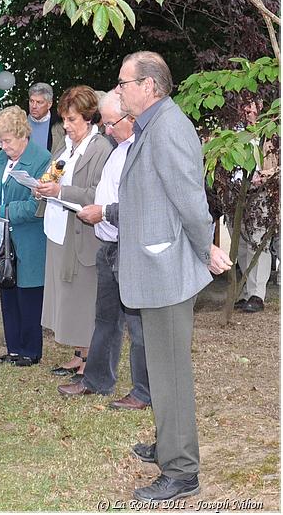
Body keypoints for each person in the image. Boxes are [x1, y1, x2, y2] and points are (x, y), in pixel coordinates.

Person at [115, 51, 232, 501]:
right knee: (161, 369)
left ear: (149, 86)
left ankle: (182, 471)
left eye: (124, 83)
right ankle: (169, 444)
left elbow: (191, 201)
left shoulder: (169, 127)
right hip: (154, 268)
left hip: (166, 269)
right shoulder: (152, 125)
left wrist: (206, 249)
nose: (120, 90)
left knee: (171, 374)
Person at [56, 91, 150, 411]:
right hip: (108, 246)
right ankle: (96, 380)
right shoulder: (119, 148)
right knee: (105, 319)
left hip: (130, 247)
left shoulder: (143, 151)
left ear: (131, 118)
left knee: (137, 326)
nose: (106, 129)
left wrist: (104, 213)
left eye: (111, 123)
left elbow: (144, 206)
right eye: (105, 123)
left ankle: (143, 392)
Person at [34, 85, 112, 381]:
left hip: (83, 234)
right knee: (67, 296)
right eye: (64, 119)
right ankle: (79, 353)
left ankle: (90, 358)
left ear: (89, 118)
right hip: (59, 231)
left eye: (72, 120)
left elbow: (96, 194)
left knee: (83, 297)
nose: (66, 126)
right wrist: (40, 187)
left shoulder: (101, 149)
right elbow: (52, 174)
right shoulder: (65, 147)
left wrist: (60, 191)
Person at [0, 106, 51, 366]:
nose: (2, 146)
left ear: (22, 135)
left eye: (7, 140)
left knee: (28, 296)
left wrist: (0, 211)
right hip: (1, 239)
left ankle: (31, 350)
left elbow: (35, 207)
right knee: (8, 294)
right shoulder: (0, 158)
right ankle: (14, 348)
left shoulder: (42, 159)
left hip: (29, 240)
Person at [230, 96, 276, 313]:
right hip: (235, 194)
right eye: (243, 105)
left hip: (260, 193)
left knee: (257, 242)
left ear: (260, 106)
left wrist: (267, 175)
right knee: (240, 242)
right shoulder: (234, 133)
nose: (247, 110)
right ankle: (247, 292)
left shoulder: (271, 132)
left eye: (251, 104)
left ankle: (257, 294)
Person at [27, 82, 66, 156]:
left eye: (39, 102)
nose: (34, 106)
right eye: (31, 101)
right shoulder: (20, 122)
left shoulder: (60, 124)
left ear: (49, 104)